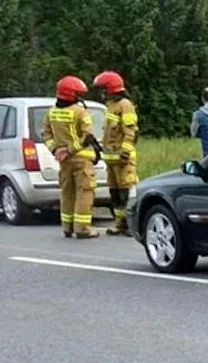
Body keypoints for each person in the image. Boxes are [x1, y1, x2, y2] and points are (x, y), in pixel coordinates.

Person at [42, 76, 99, 239]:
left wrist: (56, 151)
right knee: (84, 192)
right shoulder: (79, 111)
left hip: (64, 161)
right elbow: (88, 136)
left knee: (67, 193)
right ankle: (83, 229)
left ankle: (67, 227)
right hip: (81, 159)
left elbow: (46, 134)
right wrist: (70, 149)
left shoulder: (51, 112)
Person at [92, 71, 138, 236]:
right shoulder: (111, 105)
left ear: (112, 88)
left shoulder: (125, 105)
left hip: (123, 159)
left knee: (127, 193)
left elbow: (130, 130)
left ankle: (132, 226)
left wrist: (125, 151)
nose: (101, 92)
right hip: (111, 160)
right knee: (116, 194)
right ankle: (120, 224)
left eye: (103, 89)